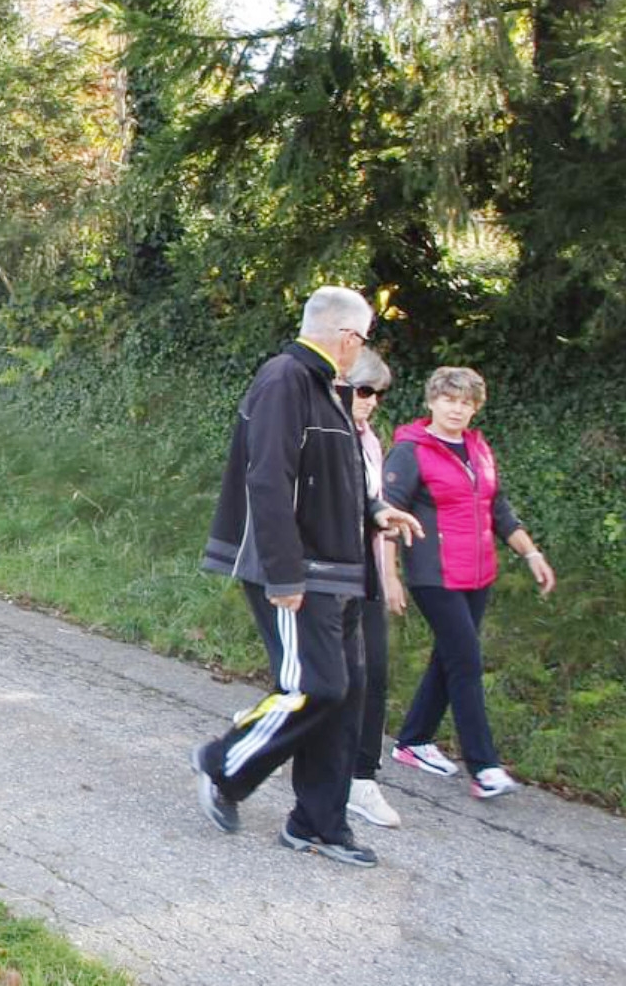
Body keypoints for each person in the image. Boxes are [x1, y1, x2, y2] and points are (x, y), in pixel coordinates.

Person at [191, 286, 421, 869]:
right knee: (314, 686)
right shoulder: (284, 381)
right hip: (299, 573)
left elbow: (340, 478)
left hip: (342, 571)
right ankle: (224, 763)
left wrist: (377, 512)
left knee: (345, 699)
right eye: (362, 339)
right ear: (348, 337)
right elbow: (268, 479)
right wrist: (283, 573)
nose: (360, 351)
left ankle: (317, 825)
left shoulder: (331, 391)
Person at [384, 367, 556, 799]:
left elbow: (498, 509)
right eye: (449, 399)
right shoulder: (410, 451)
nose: (457, 408)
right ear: (431, 401)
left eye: (466, 402)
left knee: (450, 657)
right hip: (433, 574)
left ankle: (413, 741)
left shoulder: (478, 449)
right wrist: (390, 575)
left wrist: (531, 553)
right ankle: (484, 768)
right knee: (467, 661)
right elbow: (385, 516)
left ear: (476, 407)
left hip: (478, 573)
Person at [343, 347, 404, 829]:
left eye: (377, 393)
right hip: (328, 571)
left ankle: (362, 777)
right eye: (363, 390)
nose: (371, 401)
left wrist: (388, 572)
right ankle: (264, 734)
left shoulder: (370, 441)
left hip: (364, 567)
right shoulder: (324, 436)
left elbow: (375, 507)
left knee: (374, 672)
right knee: (326, 680)